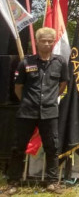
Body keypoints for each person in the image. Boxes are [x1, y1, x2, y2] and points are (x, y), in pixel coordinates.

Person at [4, 28, 70, 195]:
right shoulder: (26, 63)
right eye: (43, 41)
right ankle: (13, 182)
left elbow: (63, 84)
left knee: (52, 147)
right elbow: (18, 87)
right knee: (18, 147)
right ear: (37, 42)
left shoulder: (60, 62)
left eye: (50, 41)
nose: (47, 44)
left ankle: (52, 182)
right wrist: (28, 101)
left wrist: (50, 99)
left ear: (53, 42)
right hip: (27, 111)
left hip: (49, 112)